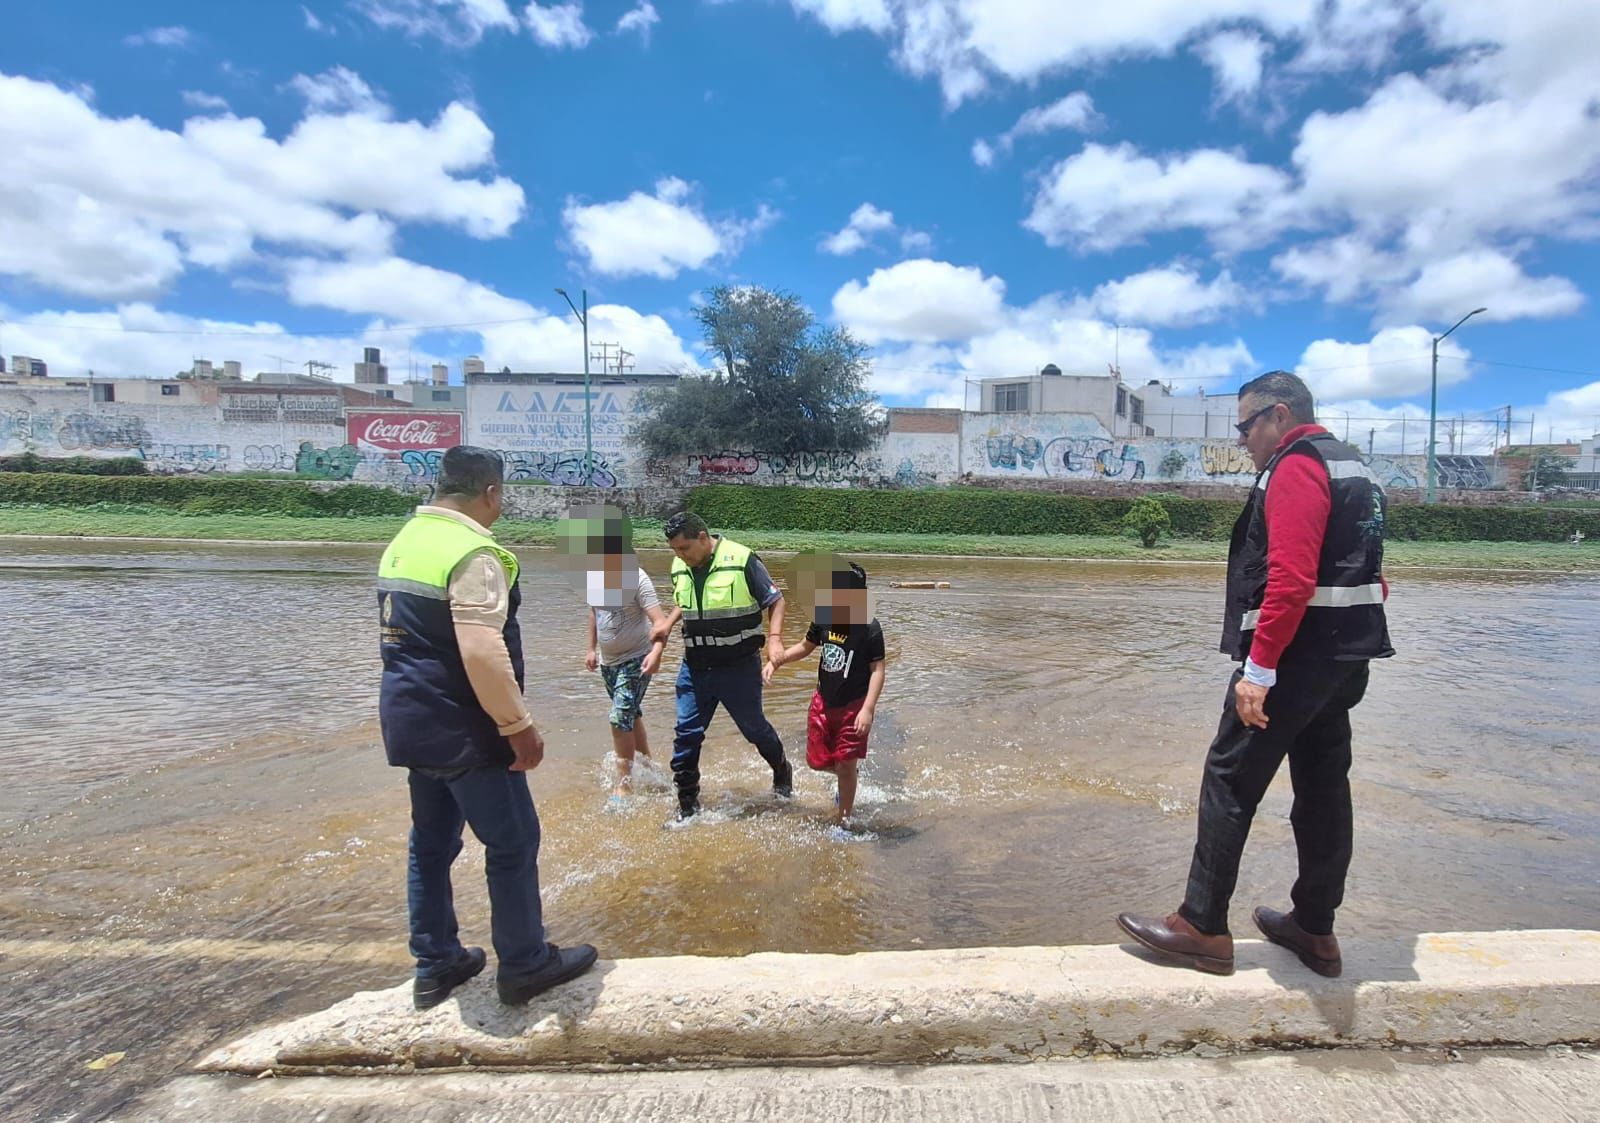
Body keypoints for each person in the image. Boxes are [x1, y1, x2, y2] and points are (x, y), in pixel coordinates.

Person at [1116, 371, 1393, 978]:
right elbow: (1369, 570)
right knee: (1324, 789)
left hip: (1295, 655)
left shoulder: (1296, 464)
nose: (1241, 439)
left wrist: (1259, 669)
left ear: (1281, 416)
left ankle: (1201, 926)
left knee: (1229, 777)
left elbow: (1290, 580)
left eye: (1246, 425)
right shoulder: (1356, 468)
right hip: (1347, 656)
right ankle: (1315, 929)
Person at [377, 445, 597, 1009]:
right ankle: (524, 963)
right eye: (501, 497)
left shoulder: (405, 542)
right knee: (513, 841)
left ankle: (436, 963)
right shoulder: (475, 551)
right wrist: (517, 725)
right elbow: (480, 649)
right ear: (491, 493)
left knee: (430, 845)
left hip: (409, 718)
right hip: (467, 727)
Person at [650, 511, 794, 820]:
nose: (680, 555)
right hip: (695, 666)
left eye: (684, 548)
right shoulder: (680, 565)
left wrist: (776, 639)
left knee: (754, 729)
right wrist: (667, 623)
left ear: (702, 537)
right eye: (674, 550)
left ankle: (782, 769)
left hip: (738, 668)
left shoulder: (741, 559)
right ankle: (687, 807)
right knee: (686, 733)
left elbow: (775, 600)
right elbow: (684, 599)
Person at [766, 559, 886, 826]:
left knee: (844, 764)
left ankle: (844, 819)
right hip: (823, 700)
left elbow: (878, 670)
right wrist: (778, 660)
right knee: (816, 762)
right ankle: (848, 779)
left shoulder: (869, 627)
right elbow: (806, 646)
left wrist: (868, 709)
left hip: (854, 704)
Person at [579, 522, 668, 805]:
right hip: (608, 662)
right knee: (632, 714)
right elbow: (594, 613)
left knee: (619, 717)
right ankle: (650, 768)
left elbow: (660, 622)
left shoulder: (638, 579)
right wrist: (590, 649)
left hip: (636, 658)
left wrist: (657, 653)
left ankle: (624, 786)